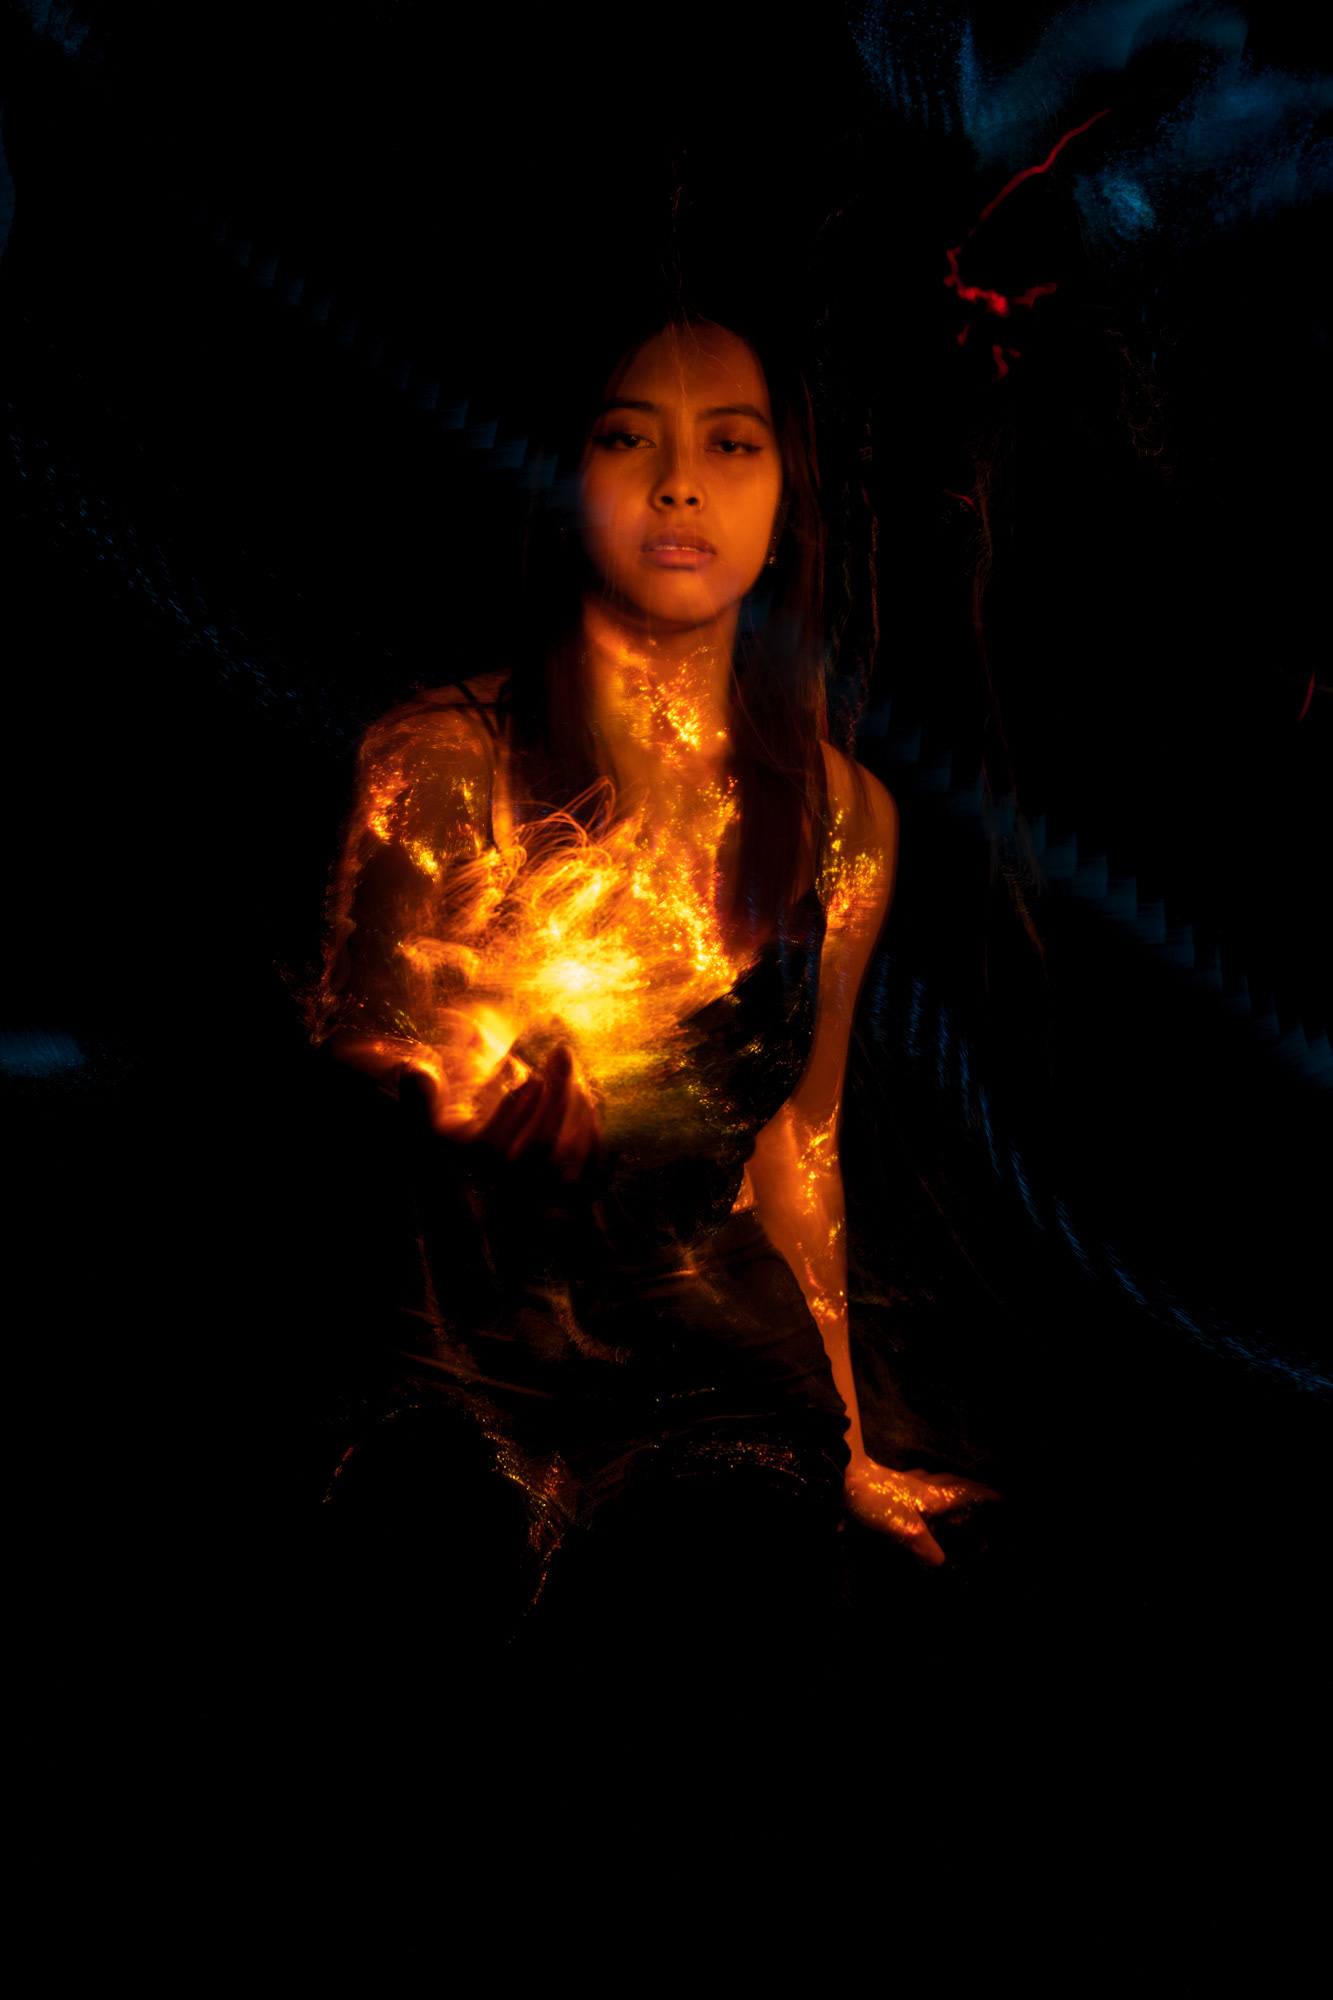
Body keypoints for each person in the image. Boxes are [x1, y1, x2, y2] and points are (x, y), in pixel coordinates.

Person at [311, 311, 994, 1664]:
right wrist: (447, 1099)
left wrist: (851, 1446)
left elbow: (800, 1145)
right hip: (453, 1362)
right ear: (569, 474)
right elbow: (351, 1049)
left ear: (787, 504)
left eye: (730, 446)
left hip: (715, 1384)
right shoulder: (438, 760)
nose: (680, 485)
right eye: (631, 439)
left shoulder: (844, 820)